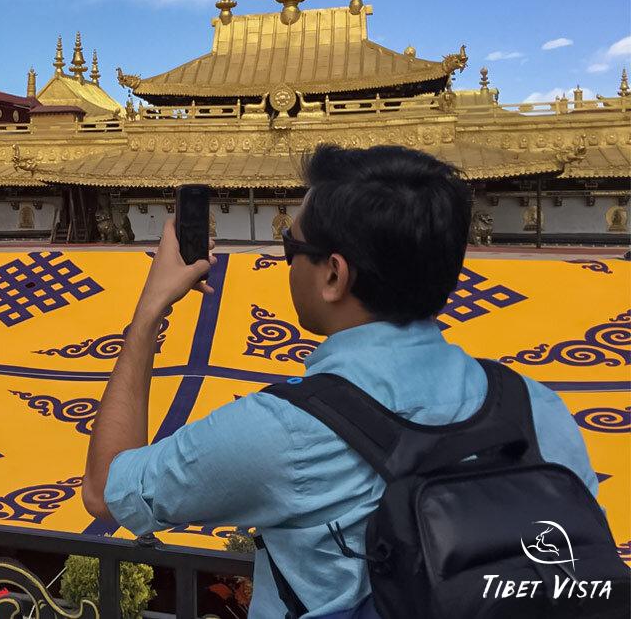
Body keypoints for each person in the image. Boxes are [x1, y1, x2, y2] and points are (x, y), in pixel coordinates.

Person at [82, 145, 600, 617]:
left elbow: (106, 491)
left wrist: (149, 311)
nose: (285, 262)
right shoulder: (537, 408)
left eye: (290, 246)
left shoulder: (285, 432)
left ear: (333, 275)